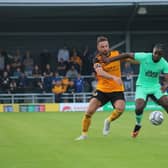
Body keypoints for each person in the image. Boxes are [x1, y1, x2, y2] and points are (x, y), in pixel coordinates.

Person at [102, 43, 168, 138]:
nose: (156, 55)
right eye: (155, 53)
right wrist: (109, 60)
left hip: (155, 87)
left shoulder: (164, 63)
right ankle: (138, 124)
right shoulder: (145, 56)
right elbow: (127, 55)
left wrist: (166, 85)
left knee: (166, 103)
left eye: (159, 54)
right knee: (138, 108)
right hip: (142, 86)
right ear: (152, 52)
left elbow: (167, 78)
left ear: (162, 55)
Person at [75, 36, 125, 140]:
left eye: (106, 46)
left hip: (117, 89)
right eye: (102, 47)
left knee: (120, 108)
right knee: (89, 111)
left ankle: (108, 121)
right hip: (102, 89)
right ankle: (84, 135)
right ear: (98, 48)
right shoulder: (96, 59)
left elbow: (129, 58)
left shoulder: (116, 54)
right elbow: (100, 72)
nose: (105, 48)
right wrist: (113, 77)